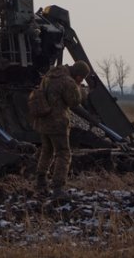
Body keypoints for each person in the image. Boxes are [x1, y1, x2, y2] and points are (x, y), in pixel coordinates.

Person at [33, 60, 91, 199]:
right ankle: (58, 188)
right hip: (57, 122)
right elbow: (74, 101)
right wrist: (82, 90)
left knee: (47, 150)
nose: (80, 80)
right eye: (81, 78)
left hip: (43, 120)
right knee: (63, 153)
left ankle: (41, 182)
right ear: (79, 75)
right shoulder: (68, 81)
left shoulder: (50, 74)